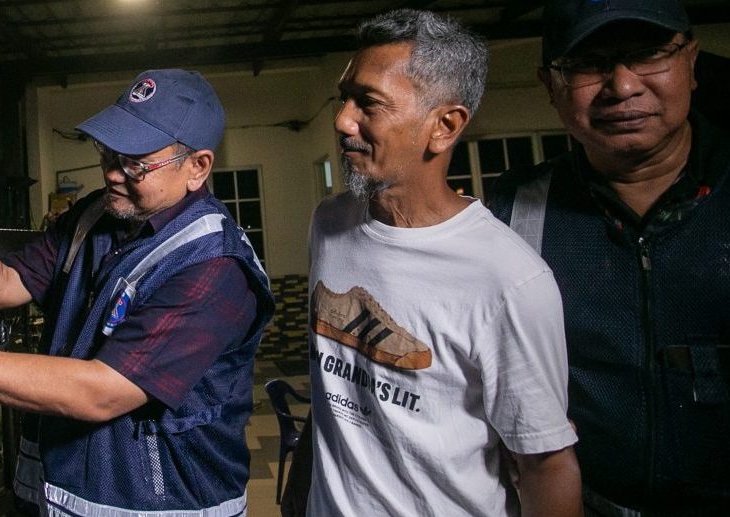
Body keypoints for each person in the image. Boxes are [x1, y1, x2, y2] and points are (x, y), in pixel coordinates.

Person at [0, 69, 275, 516]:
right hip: (61, 488)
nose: (112, 173)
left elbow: (102, 392)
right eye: (108, 152)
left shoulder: (214, 267)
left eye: (135, 164)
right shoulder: (97, 215)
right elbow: (2, 283)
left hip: (160, 503)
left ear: (197, 167)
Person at [306, 9, 581, 516]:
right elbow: (336, 386)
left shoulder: (508, 280)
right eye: (345, 98)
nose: (343, 120)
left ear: (444, 126)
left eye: (369, 103)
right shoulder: (330, 223)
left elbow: (546, 465)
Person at [488, 0, 730, 514]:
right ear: (550, 85)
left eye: (648, 54)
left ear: (691, 63)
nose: (622, 86)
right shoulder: (515, 212)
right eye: (587, 64)